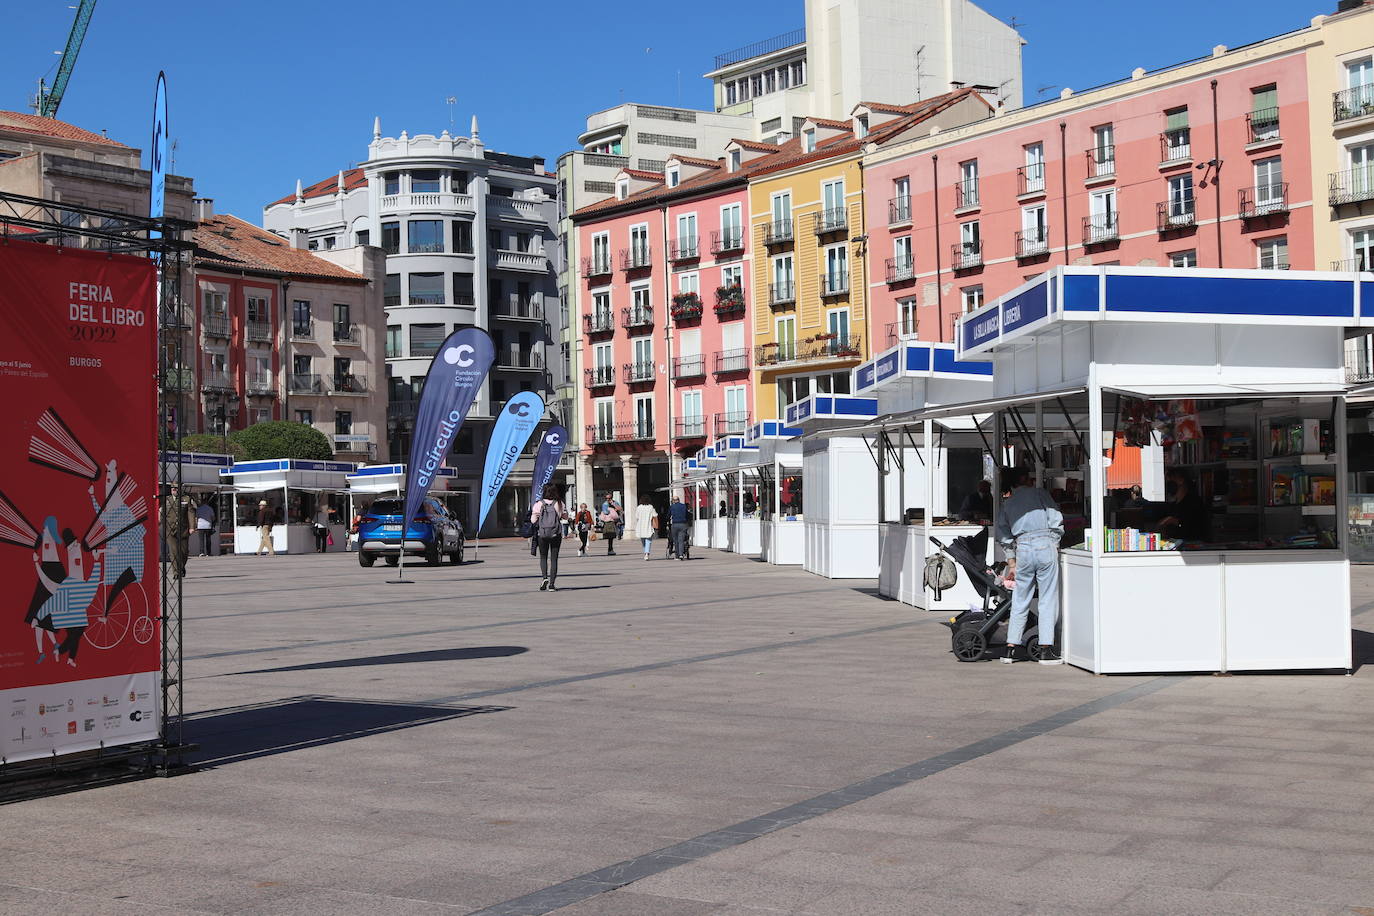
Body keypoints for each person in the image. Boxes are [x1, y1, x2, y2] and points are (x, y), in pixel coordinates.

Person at [995, 466, 1064, 665]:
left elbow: (1004, 535)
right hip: (1044, 544)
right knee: (1047, 597)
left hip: (1022, 547)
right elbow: (1055, 519)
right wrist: (1054, 542)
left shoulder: (1008, 503)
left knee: (1020, 597)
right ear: (1024, 478)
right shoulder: (1039, 494)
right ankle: (1045, 648)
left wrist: (1012, 562)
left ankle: (1011, 648)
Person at [529, 483, 569, 591]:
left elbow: (533, 520)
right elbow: (565, 516)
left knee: (543, 557)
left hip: (542, 534)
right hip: (556, 533)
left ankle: (544, 578)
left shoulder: (539, 504)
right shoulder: (559, 503)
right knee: (554, 558)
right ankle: (552, 584)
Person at [1157, 470, 1207, 541]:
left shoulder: (1194, 502)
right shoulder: (1173, 505)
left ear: (1181, 480)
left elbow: (1196, 526)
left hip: (1192, 545)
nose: (1169, 484)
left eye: (1171, 480)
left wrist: (1176, 521)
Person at [162, 486, 196, 578]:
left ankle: (181, 567)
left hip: (183, 529)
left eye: (176, 488)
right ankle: (176, 573)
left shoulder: (186, 499)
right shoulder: (166, 500)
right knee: (173, 552)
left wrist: (192, 527)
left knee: (184, 552)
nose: (174, 489)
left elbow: (191, 513)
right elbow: (162, 514)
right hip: (170, 530)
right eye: (172, 488)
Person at [632, 494, 657, 560]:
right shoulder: (650, 507)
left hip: (640, 526)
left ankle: (645, 552)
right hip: (648, 525)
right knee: (648, 540)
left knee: (643, 540)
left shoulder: (639, 507)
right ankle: (646, 553)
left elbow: (636, 517)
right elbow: (655, 515)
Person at [668, 495, 690, 560]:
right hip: (683, 524)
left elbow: (668, 515)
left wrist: (668, 521)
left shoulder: (672, 507)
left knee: (676, 541)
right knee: (681, 540)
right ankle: (681, 554)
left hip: (675, 525)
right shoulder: (683, 506)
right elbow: (687, 514)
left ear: (673, 501)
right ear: (679, 500)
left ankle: (677, 556)